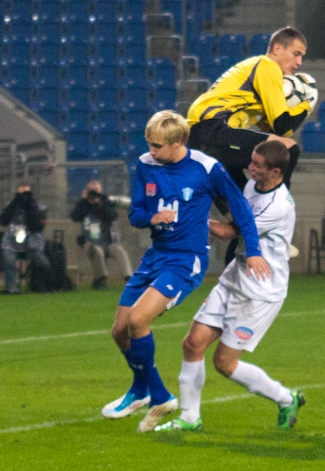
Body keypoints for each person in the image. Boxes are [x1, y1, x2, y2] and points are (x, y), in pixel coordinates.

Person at [101, 110, 270, 433]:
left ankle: (160, 395)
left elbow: (242, 211)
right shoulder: (146, 165)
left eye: (158, 146)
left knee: (138, 321)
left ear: (179, 142)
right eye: (149, 144)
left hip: (185, 260)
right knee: (119, 331)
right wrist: (153, 218)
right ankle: (144, 390)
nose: (152, 150)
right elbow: (136, 213)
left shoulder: (206, 168)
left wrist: (254, 251)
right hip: (155, 256)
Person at [154, 140, 304, 433]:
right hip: (236, 275)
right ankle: (189, 417)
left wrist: (187, 214)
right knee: (192, 343)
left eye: (258, 165)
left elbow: (226, 232)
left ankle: (286, 398)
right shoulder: (253, 187)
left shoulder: (277, 206)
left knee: (224, 363)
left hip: (260, 291)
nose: (250, 167)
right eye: (252, 161)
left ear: (276, 172)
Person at [186, 26, 316, 262]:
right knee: (287, 149)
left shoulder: (255, 73)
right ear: (277, 48)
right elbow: (282, 127)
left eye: (302, 57)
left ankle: (232, 270)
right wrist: (306, 103)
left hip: (202, 140)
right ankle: (278, 225)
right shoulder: (267, 66)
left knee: (242, 218)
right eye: (296, 53)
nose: (299, 62)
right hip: (212, 131)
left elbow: (270, 127)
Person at [70, 180, 133, 290]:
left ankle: (129, 278)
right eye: (92, 191)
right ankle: (101, 280)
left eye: (97, 191)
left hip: (108, 242)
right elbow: (75, 216)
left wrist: (100, 203)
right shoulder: (83, 205)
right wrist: (83, 200)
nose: (94, 194)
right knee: (97, 250)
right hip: (90, 242)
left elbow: (113, 215)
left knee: (120, 251)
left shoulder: (105, 202)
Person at [0, 182, 51, 294]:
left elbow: (38, 227)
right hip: (11, 242)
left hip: (31, 243)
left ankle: (39, 285)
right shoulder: (11, 205)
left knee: (44, 264)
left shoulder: (38, 207)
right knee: (9, 262)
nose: (24, 196)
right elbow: (3, 221)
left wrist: (30, 207)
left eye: (27, 193)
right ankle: (11, 287)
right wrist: (15, 202)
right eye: (21, 193)